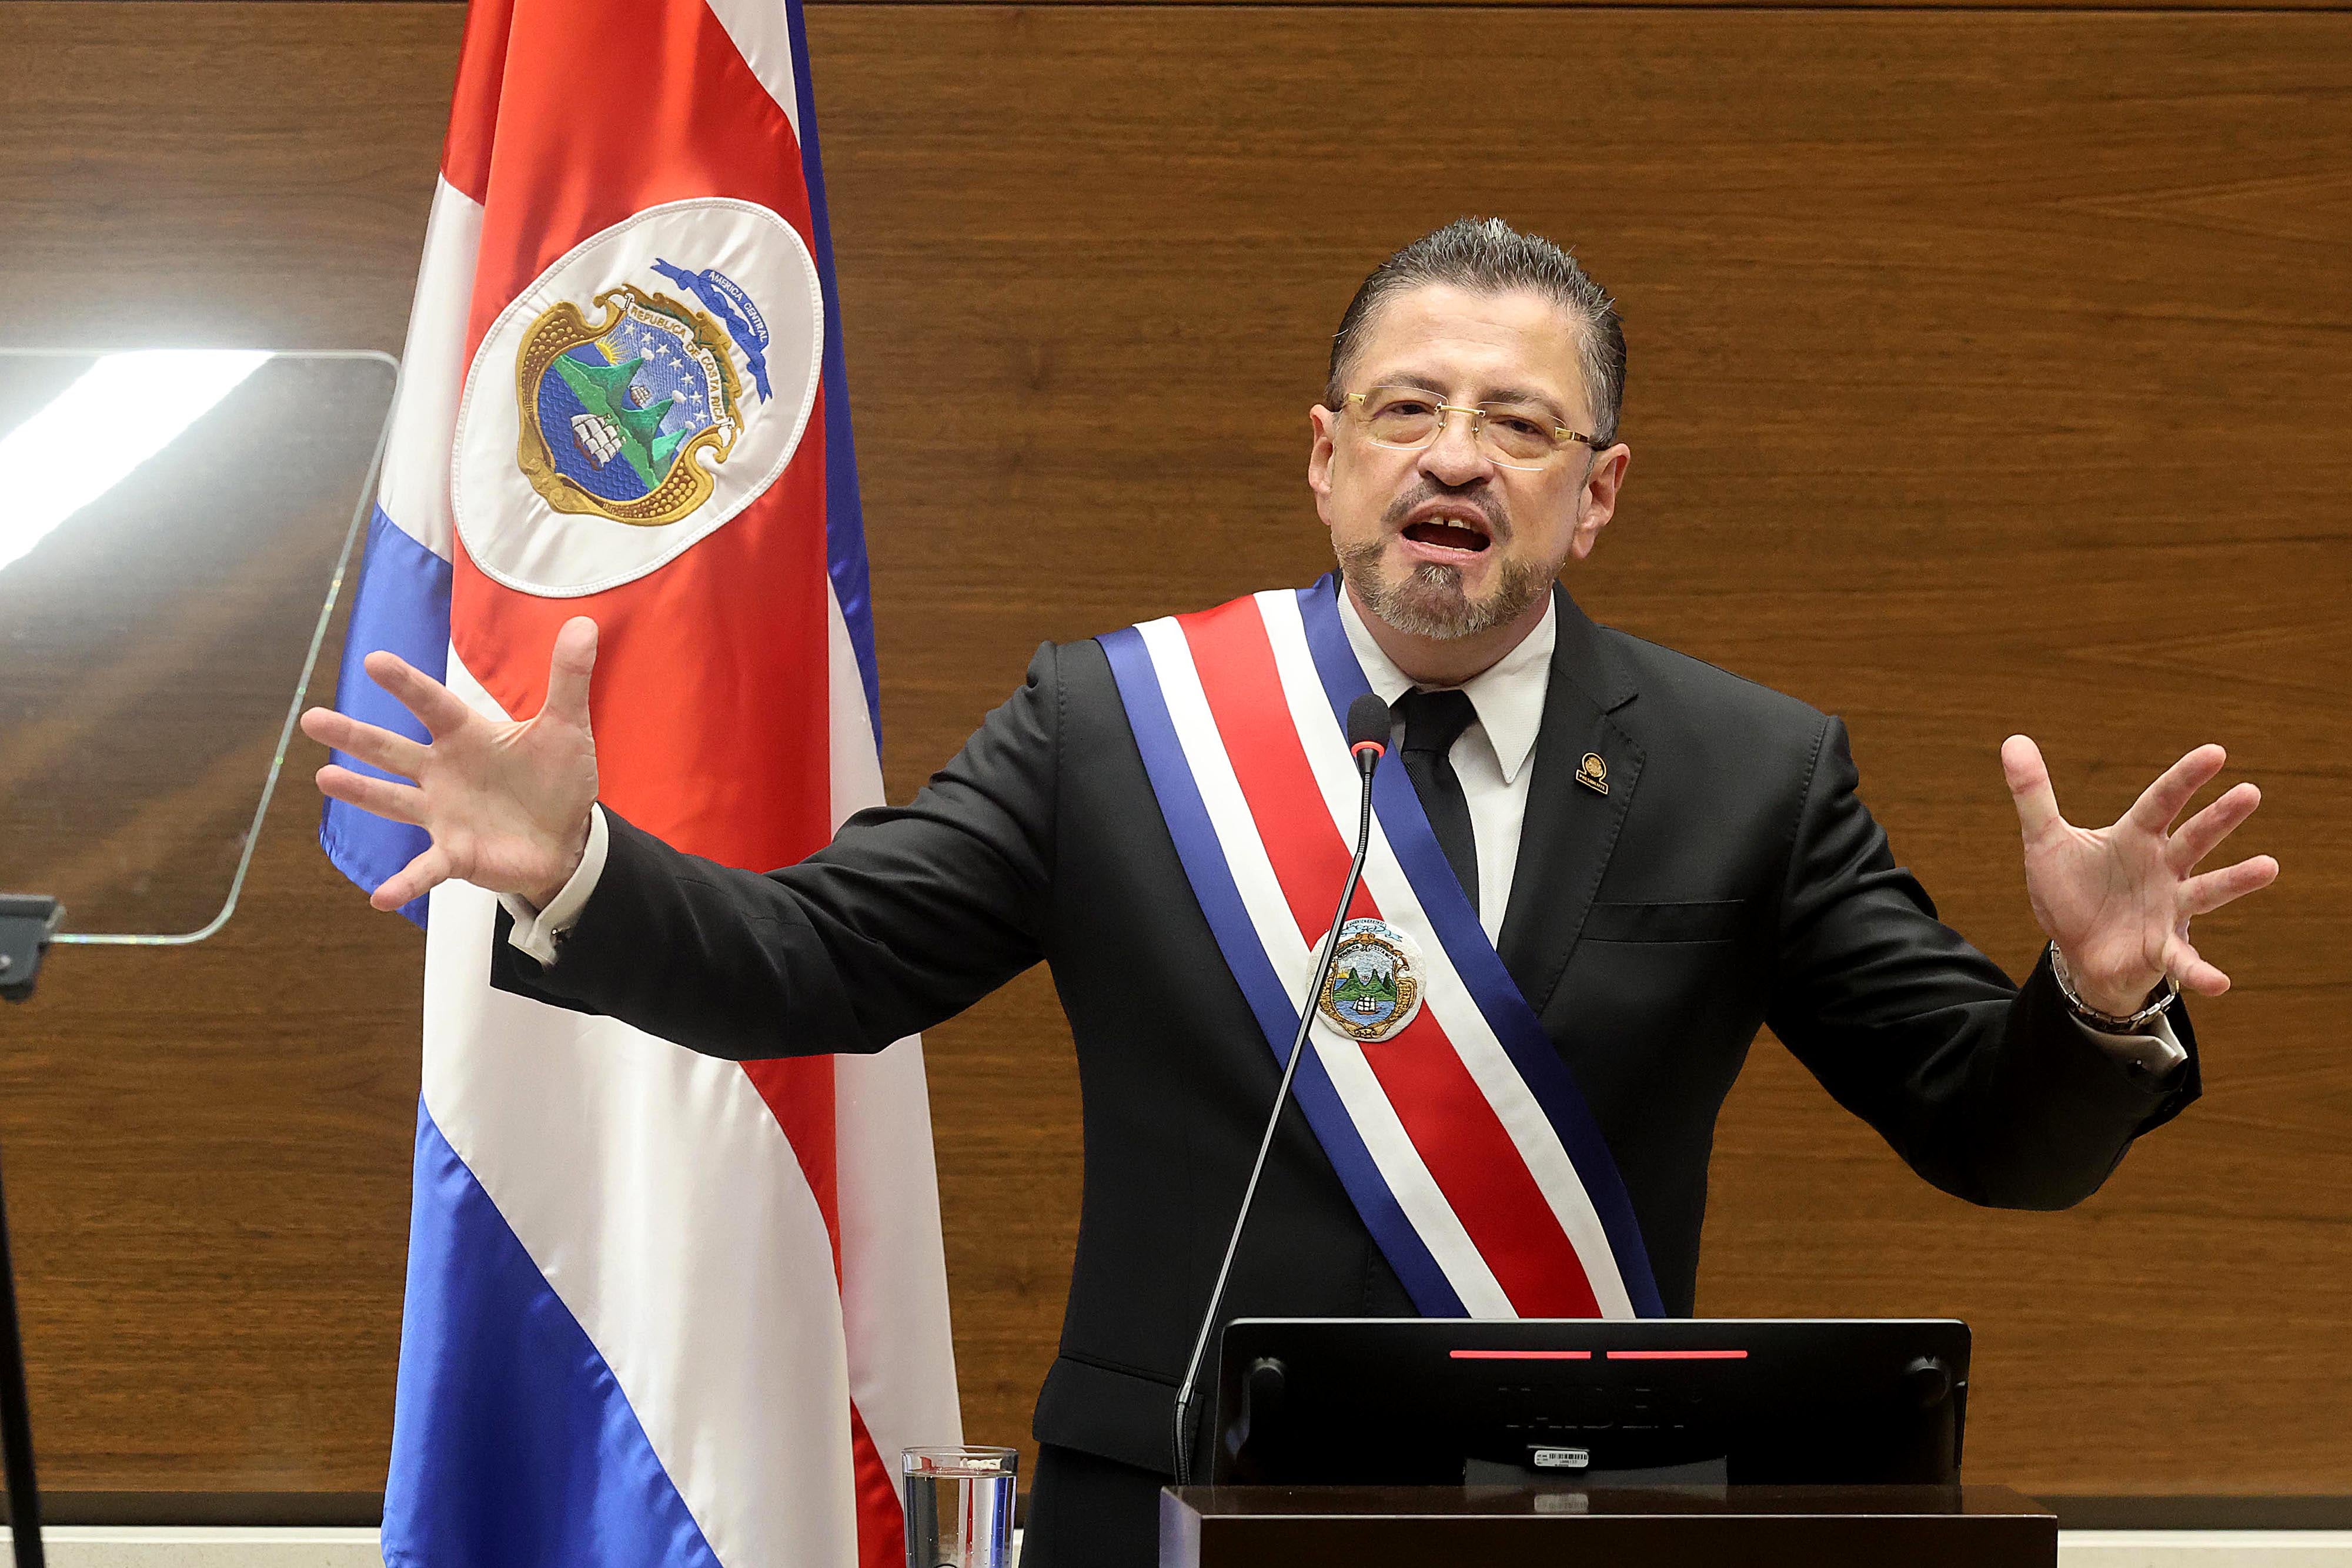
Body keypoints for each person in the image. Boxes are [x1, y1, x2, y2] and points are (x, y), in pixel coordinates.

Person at [301, 218, 2277, 1564]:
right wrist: (581, 865)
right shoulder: (1118, 724)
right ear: (1326, 462)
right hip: (1160, 1508)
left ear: (1594, 496)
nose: (1457, 459)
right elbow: (820, 959)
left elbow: (1986, 1131)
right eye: (1410, 412)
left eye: (1521, 425)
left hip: (1575, 1518)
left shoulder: (1751, 768)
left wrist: (2094, 1004)